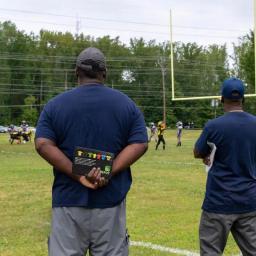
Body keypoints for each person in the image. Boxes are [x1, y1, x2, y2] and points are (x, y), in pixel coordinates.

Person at [35, 47, 148, 256]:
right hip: (110, 202)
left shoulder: (55, 105)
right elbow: (140, 143)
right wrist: (108, 171)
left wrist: (77, 173)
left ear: (76, 72)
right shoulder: (126, 104)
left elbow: (43, 144)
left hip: (68, 202)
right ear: (104, 73)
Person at [193, 78, 256, 255]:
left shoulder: (214, 125)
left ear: (222, 99)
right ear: (243, 99)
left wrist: (209, 155)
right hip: (249, 201)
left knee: (210, 252)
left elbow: (198, 152)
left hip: (218, 201)